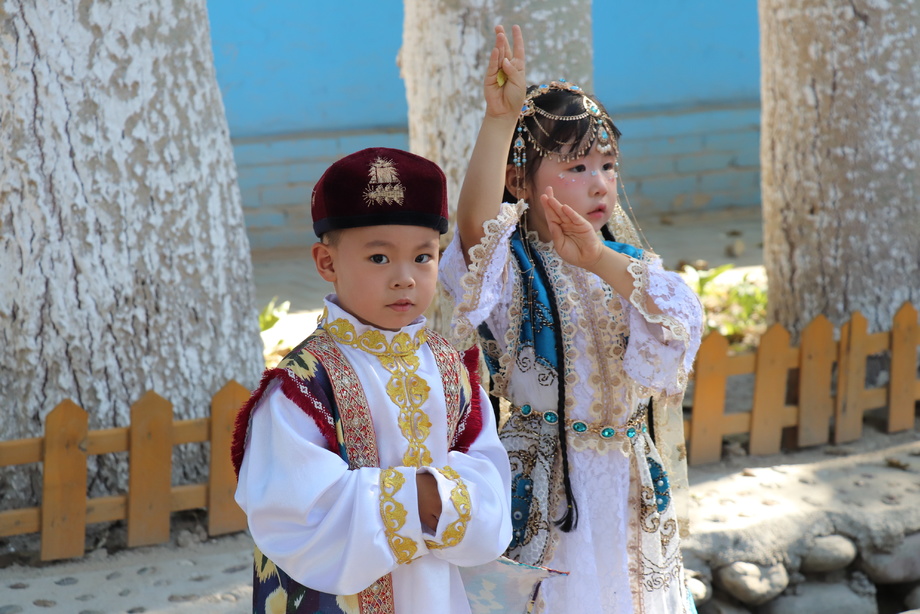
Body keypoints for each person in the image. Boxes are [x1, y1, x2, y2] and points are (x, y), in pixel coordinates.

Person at [439, 25, 704, 613]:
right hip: (545, 489)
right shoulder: (513, 270)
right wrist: (498, 122)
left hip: (630, 486)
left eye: (607, 165)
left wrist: (601, 260)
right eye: (577, 167)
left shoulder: (632, 268)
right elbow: (476, 231)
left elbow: (675, 327)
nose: (600, 184)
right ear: (519, 181)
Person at [232, 147, 512, 614]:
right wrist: (426, 498)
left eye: (423, 257)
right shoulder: (304, 384)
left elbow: (489, 472)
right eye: (380, 258)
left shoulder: (448, 367)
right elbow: (291, 510)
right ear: (327, 262)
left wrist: (433, 503)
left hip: (438, 593)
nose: (404, 279)